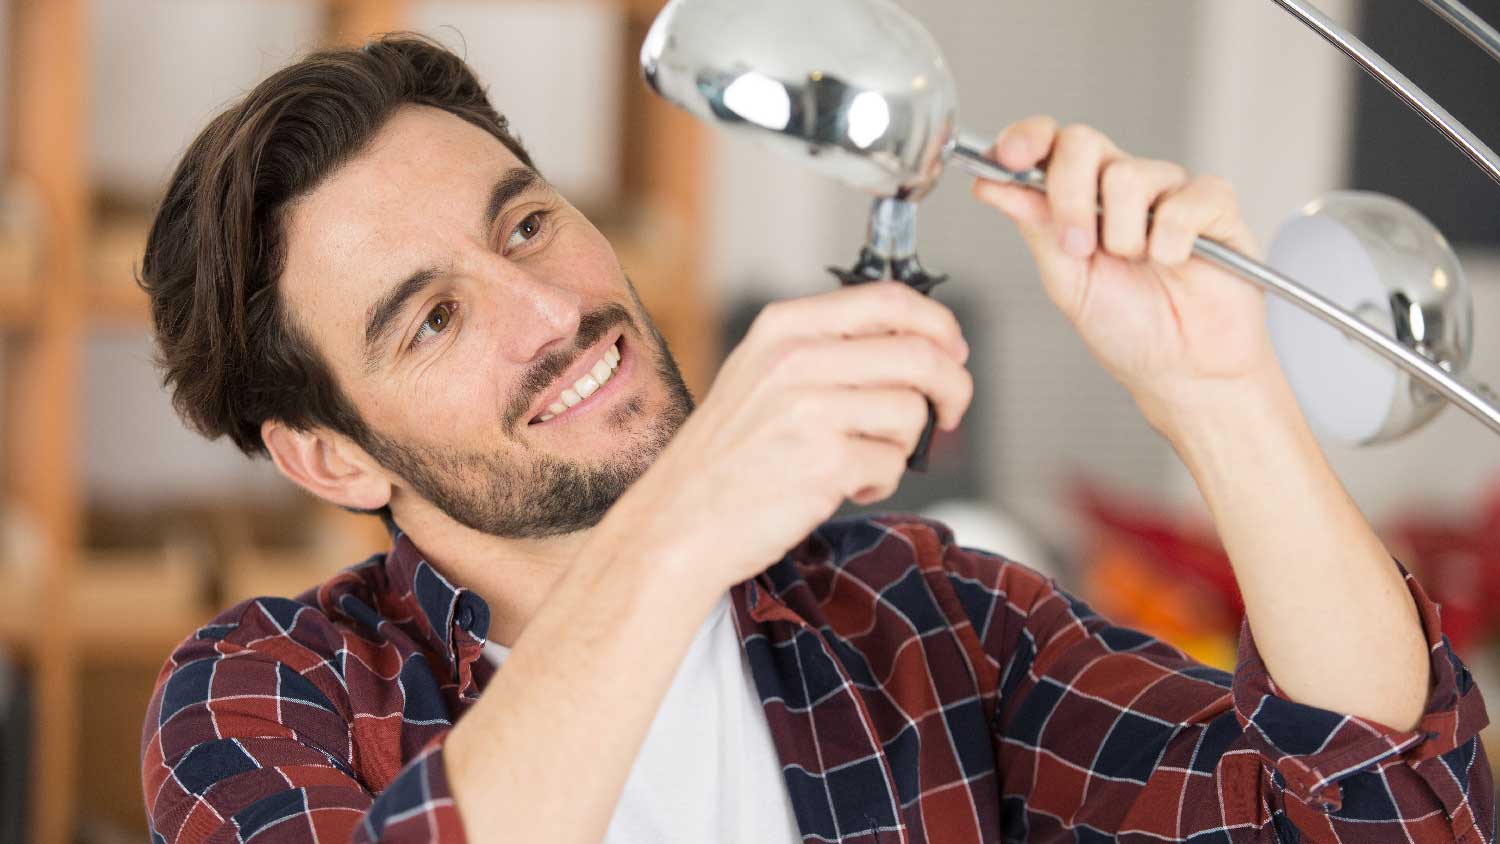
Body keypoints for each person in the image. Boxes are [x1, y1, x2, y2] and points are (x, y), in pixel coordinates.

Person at [137, 35, 1491, 844]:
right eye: (432, 318)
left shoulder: (915, 621)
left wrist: (1221, 392)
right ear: (333, 457)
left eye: (527, 223)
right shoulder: (261, 699)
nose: (550, 312)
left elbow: (1384, 814)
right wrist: (678, 531)